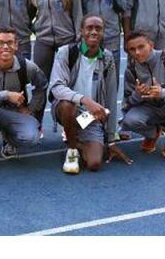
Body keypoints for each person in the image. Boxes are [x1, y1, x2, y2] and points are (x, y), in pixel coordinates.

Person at [50, 15, 131, 174]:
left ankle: (76, 138)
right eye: (89, 28)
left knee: (94, 164)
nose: (94, 32)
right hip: (67, 110)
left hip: (91, 117)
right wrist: (85, 100)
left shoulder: (107, 58)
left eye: (98, 28)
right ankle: (72, 150)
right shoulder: (66, 53)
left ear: (103, 33)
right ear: (82, 31)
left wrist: (111, 139)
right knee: (68, 105)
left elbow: (111, 98)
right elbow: (56, 87)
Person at [0, 27, 47, 174]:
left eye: (10, 43)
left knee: (32, 138)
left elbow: (42, 86)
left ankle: (8, 139)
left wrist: (31, 108)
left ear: (16, 45)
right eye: (0, 43)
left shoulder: (27, 66)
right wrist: (6, 95)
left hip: (15, 112)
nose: (5, 46)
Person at [121, 31, 165, 165]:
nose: (137, 52)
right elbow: (127, 103)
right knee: (128, 121)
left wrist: (163, 93)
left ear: (151, 45)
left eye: (141, 47)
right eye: (132, 49)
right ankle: (153, 133)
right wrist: (137, 95)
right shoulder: (131, 69)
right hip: (148, 108)